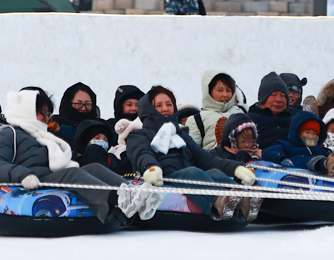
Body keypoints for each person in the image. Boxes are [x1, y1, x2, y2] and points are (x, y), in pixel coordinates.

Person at [0, 89, 128, 230]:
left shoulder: (41, 136)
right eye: (41, 113)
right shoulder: (8, 134)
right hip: (32, 179)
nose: (46, 118)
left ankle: (132, 193)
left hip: (48, 175)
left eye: (47, 114)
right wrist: (23, 175)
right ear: (26, 111)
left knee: (94, 168)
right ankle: (117, 199)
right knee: (72, 174)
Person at [125, 86, 258, 220]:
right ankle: (219, 203)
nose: (165, 108)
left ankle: (245, 202)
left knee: (213, 172)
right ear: (148, 110)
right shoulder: (139, 135)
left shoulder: (181, 135)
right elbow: (141, 153)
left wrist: (235, 168)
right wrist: (150, 167)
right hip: (164, 178)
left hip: (188, 178)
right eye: (159, 105)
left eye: (169, 104)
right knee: (192, 172)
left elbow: (206, 159)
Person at [194, 70, 243, 150]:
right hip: (213, 160)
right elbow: (193, 152)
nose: (225, 95)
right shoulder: (197, 119)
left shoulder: (241, 112)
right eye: (220, 90)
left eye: (229, 90)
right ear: (209, 91)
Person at [262, 110, 329, 168]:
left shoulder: (321, 150)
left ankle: (325, 164)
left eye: (314, 133)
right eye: (307, 132)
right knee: (296, 159)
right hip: (292, 177)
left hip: (318, 179)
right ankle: (321, 164)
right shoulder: (286, 146)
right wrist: (281, 158)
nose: (310, 136)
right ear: (298, 133)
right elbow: (269, 152)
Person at [246, 72, 294, 149]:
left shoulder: (294, 122)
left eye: (283, 96)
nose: (279, 100)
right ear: (263, 98)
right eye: (273, 95)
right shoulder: (248, 121)